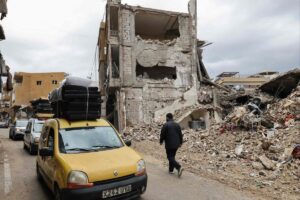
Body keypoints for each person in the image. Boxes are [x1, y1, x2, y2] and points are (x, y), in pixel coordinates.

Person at [160, 113, 183, 177]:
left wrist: (161, 141)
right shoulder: (177, 125)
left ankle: (178, 167)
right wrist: (181, 142)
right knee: (172, 156)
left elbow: (162, 134)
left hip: (169, 144)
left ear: (167, 118)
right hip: (176, 144)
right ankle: (171, 170)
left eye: (166, 118)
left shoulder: (166, 125)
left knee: (169, 157)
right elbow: (180, 134)